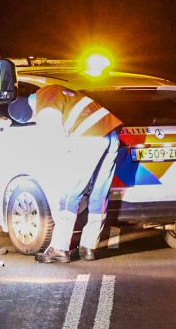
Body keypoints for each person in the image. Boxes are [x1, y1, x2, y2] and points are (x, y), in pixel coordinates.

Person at [10, 81, 123, 263]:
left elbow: (57, 147)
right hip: (111, 131)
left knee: (70, 194)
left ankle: (60, 248)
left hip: (89, 135)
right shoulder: (51, 91)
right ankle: (88, 247)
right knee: (99, 193)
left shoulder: (45, 108)